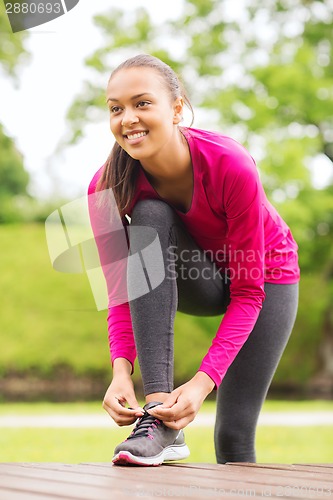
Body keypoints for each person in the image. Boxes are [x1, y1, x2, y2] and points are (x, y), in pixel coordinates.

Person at [88, 54, 300, 466]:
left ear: (178, 108)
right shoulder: (107, 188)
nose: (128, 118)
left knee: (234, 433)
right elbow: (119, 292)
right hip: (194, 276)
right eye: (116, 108)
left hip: (266, 279)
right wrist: (120, 371)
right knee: (151, 214)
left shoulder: (229, 163)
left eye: (142, 103)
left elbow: (247, 293)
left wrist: (203, 384)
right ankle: (159, 420)